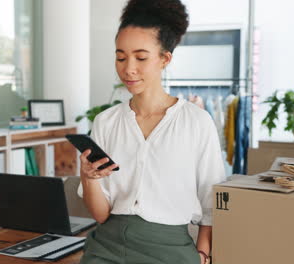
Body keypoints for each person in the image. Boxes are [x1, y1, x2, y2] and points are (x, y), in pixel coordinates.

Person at [78, 0, 225, 263]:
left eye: (141, 57)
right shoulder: (106, 122)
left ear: (165, 58)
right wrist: (89, 179)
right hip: (106, 246)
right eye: (120, 57)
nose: (128, 68)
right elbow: (101, 215)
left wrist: (203, 252)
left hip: (170, 248)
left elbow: (211, 200)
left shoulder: (197, 122)